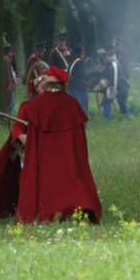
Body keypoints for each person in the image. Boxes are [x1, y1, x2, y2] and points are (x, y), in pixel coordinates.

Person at [13, 66, 102, 223]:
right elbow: (79, 139)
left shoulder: (35, 105)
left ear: (47, 85)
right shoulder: (72, 103)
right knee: (71, 178)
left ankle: (47, 211)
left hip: (45, 156)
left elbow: (34, 138)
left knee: (46, 180)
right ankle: (77, 208)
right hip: (68, 155)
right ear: (62, 85)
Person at [0, 75, 45, 218]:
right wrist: (26, 138)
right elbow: (17, 130)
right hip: (29, 150)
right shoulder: (28, 106)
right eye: (43, 86)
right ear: (37, 88)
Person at [93, 49, 131, 120]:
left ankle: (107, 120)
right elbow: (127, 76)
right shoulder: (119, 64)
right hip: (123, 87)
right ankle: (128, 118)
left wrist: (91, 86)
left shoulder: (107, 70)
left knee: (107, 103)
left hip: (117, 88)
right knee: (122, 105)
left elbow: (98, 78)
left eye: (102, 62)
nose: (102, 63)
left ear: (105, 60)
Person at [68, 44, 89, 114]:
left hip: (71, 87)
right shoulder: (81, 62)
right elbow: (83, 74)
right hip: (79, 88)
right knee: (83, 105)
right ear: (81, 53)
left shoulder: (72, 62)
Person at [3, 44, 18, 115]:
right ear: (8, 52)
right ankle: (7, 114)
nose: (11, 53)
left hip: (9, 83)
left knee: (10, 100)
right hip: (8, 84)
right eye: (10, 51)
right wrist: (10, 84)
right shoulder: (6, 60)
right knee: (9, 101)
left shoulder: (7, 59)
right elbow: (8, 74)